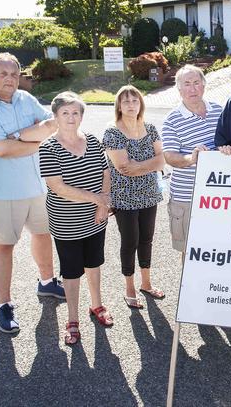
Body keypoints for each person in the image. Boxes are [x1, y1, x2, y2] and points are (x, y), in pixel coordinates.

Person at [0, 53, 64, 335]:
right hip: (2, 191)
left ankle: (47, 282)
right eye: (3, 73)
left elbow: (53, 125)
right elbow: (0, 150)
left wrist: (18, 136)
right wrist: (36, 140)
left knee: (43, 235)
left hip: (36, 187)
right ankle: (5, 304)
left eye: (14, 73)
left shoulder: (26, 99)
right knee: (3, 246)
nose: (9, 79)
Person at [39, 92, 113, 345]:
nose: (71, 118)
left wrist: (104, 204)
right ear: (56, 116)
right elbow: (58, 187)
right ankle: (72, 319)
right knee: (71, 272)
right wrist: (98, 200)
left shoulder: (92, 140)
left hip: (96, 218)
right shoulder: (48, 147)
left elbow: (105, 171)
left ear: (81, 116)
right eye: (65, 113)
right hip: (66, 221)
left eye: (75, 113)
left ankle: (97, 305)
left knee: (94, 263)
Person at [103, 85, 165, 309]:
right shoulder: (112, 131)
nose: (131, 105)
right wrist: (150, 165)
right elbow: (122, 167)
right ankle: (129, 287)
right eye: (126, 101)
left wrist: (139, 165)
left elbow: (162, 160)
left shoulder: (151, 128)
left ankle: (146, 283)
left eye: (135, 100)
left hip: (150, 194)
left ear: (141, 104)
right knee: (130, 242)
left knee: (146, 239)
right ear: (119, 105)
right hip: (124, 197)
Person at [162, 65, 223, 253]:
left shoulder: (220, 111)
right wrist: (191, 158)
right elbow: (170, 157)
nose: (192, 88)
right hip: (186, 197)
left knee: (219, 249)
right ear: (179, 89)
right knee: (190, 254)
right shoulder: (172, 120)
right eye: (187, 84)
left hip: (218, 197)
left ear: (204, 86)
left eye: (196, 83)